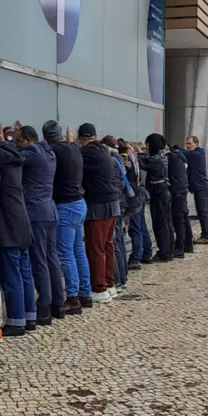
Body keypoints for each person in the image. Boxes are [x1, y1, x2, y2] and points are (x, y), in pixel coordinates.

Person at [0, 126, 34, 336]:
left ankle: (16, 321)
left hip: (8, 224)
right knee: (25, 273)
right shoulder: (15, 154)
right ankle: (30, 317)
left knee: (11, 274)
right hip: (22, 220)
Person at [17, 124, 63, 326]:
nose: (16, 145)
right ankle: (58, 304)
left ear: (28, 140)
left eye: (18, 141)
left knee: (39, 261)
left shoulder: (32, 153)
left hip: (36, 212)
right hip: (50, 210)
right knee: (52, 258)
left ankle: (44, 306)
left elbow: (13, 157)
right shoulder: (48, 151)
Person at [47, 120, 90, 313]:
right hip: (80, 203)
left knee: (65, 253)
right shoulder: (74, 148)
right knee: (78, 251)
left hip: (66, 206)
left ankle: (72, 298)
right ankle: (85, 294)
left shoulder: (54, 151)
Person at [78, 124, 120, 302]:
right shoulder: (104, 151)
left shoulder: (86, 153)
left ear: (82, 139)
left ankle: (99, 287)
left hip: (98, 206)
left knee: (96, 248)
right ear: (95, 136)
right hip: (113, 204)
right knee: (108, 245)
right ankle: (110, 284)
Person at [139, 134, 175, 262]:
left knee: (161, 224)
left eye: (147, 144)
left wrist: (134, 152)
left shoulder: (156, 159)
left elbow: (142, 163)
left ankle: (164, 252)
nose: (146, 146)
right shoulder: (163, 156)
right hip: (164, 192)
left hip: (159, 194)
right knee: (166, 223)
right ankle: (167, 250)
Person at [104, 136, 131, 291]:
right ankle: (123, 276)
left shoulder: (112, 162)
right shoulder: (119, 160)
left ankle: (118, 279)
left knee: (114, 243)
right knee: (118, 241)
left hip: (116, 206)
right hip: (120, 205)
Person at [121, 140, 152, 268]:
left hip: (133, 195)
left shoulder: (127, 160)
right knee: (141, 225)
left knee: (135, 228)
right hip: (141, 193)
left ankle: (135, 258)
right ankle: (147, 253)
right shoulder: (135, 158)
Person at [185, 137, 208, 243]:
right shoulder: (198, 153)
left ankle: (206, 235)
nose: (187, 146)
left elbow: (183, 153)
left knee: (203, 212)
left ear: (196, 144)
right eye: (186, 143)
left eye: (190, 143)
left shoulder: (196, 154)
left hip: (200, 187)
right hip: (203, 186)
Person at [167, 143, 194, 258]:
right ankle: (188, 244)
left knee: (179, 219)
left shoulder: (172, 157)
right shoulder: (180, 156)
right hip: (182, 189)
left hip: (177, 190)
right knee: (184, 216)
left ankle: (180, 247)